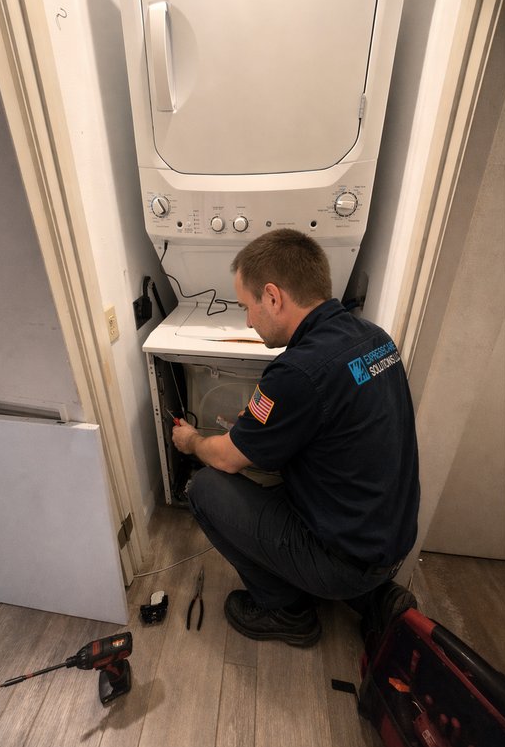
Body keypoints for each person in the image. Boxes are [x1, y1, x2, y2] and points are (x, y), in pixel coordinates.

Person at [171, 228, 420, 647]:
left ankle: (285, 611)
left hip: (346, 560)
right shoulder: (374, 339)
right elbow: (337, 431)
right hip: (389, 542)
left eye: (247, 306)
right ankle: (372, 597)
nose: (248, 321)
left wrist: (193, 441)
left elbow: (228, 459)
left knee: (206, 487)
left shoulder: (296, 372)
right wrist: (262, 428)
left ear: (272, 297)